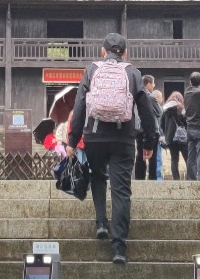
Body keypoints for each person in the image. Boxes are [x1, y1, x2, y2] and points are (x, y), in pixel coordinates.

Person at [68, 33, 160, 264]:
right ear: (125, 53)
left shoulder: (91, 70)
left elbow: (79, 105)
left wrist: (72, 140)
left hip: (94, 136)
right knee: (121, 190)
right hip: (123, 138)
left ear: (103, 51)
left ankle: (101, 222)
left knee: (98, 177)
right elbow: (146, 110)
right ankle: (119, 247)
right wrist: (149, 142)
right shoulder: (133, 73)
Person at [134, 74, 164, 180]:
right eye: (153, 83)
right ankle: (152, 178)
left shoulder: (136, 95)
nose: (154, 86)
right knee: (153, 157)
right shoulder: (151, 97)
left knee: (140, 155)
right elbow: (159, 112)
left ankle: (139, 178)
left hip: (139, 129)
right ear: (148, 84)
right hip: (152, 130)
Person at [183, 72, 200, 180]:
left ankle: (191, 179)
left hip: (190, 127)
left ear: (190, 82)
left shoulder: (187, 93)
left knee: (191, 155)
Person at [161, 91, 189, 179]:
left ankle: (176, 178)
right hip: (182, 137)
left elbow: (162, 124)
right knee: (187, 158)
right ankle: (189, 177)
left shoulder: (165, 110)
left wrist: (166, 134)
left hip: (170, 138)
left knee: (174, 159)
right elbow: (186, 122)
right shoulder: (180, 108)